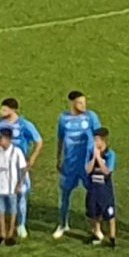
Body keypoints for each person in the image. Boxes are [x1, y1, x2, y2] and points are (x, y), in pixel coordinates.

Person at [0, 99, 43, 238]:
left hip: (18, 165)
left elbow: (39, 142)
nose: (1, 112)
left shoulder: (24, 125)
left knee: (21, 194)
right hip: (1, 164)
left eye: (4, 109)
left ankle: (21, 224)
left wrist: (32, 158)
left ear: (13, 110)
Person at [53, 91, 102, 239]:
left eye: (84, 102)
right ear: (72, 103)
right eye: (80, 103)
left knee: (93, 195)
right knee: (65, 195)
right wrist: (59, 158)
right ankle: (62, 224)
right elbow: (60, 139)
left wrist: (98, 158)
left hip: (87, 164)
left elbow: (99, 138)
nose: (84, 105)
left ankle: (96, 228)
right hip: (70, 164)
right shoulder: (64, 118)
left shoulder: (91, 117)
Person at [0, 127, 27, 246]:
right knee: (0, 211)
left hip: (11, 187)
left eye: (2, 138)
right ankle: (2, 234)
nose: (0, 140)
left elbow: (23, 169)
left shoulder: (17, 152)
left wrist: (19, 183)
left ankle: (10, 234)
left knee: (12, 211)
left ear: (9, 139)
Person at [84, 129, 118, 247]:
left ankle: (112, 238)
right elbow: (88, 170)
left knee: (109, 214)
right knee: (94, 212)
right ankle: (97, 233)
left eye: (97, 140)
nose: (95, 142)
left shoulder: (110, 154)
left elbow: (107, 171)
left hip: (105, 190)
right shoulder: (90, 153)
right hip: (93, 188)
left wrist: (99, 158)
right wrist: (94, 157)